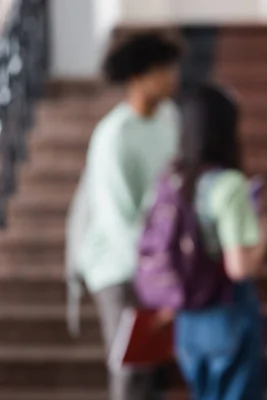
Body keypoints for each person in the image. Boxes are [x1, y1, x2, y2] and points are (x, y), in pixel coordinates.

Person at [75, 31, 184, 400]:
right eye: (163, 69)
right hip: (119, 268)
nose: (173, 76)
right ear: (137, 76)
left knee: (154, 368)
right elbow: (119, 219)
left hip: (155, 259)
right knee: (129, 368)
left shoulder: (170, 116)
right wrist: (160, 275)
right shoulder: (114, 135)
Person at [173, 83, 267, 400]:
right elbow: (239, 267)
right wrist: (265, 230)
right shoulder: (228, 184)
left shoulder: (173, 180)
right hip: (227, 314)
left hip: (187, 320)